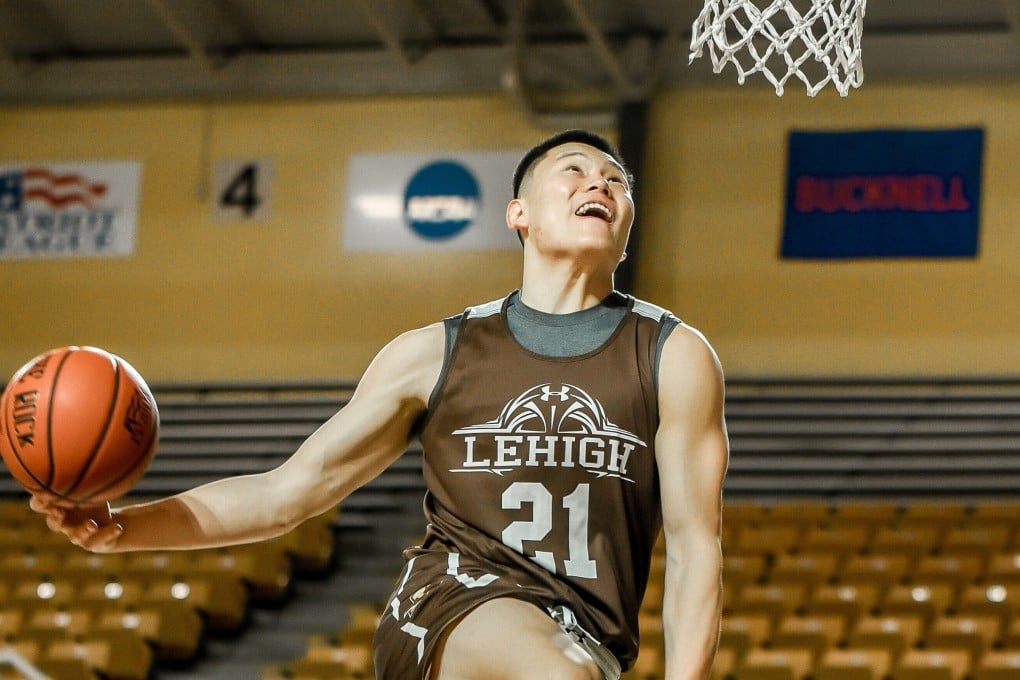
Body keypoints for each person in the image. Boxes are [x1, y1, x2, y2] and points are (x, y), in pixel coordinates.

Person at [31, 129, 729, 680]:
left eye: (616, 181)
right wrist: (123, 529)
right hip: (449, 606)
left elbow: (697, 545)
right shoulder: (435, 352)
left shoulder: (673, 355)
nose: (599, 183)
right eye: (574, 171)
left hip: (589, 639)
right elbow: (286, 493)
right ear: (518, 213)